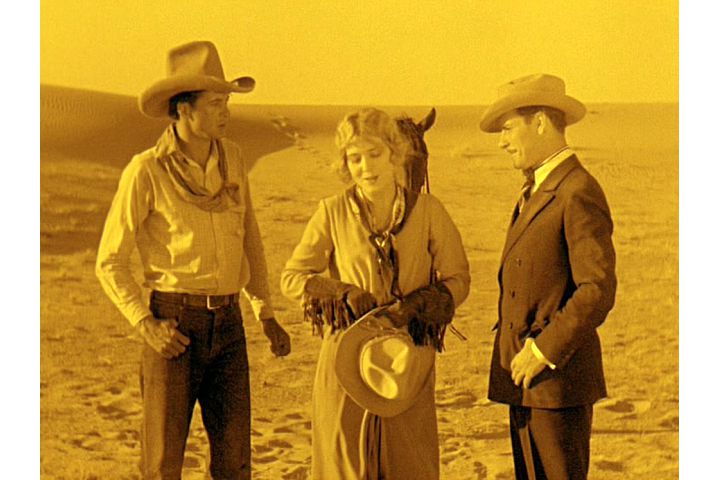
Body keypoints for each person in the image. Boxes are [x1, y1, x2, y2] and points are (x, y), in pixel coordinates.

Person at [95, 41, 291, 480]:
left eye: (227, 103)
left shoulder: (233, 159)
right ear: (183, 110)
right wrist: (146, 324)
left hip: (230, 325)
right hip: (174, 326)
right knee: (163, 463)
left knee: (235, 463)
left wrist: (266, 313)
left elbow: (250, 239)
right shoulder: (146, 171)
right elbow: (109, 261)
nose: (226, 112)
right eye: (216, 104)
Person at [280, 108, 470, 479]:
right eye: (355, 158)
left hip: (406, 363)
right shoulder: (332, 212)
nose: (366, 167)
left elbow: (458, 279)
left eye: (374, 154)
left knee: (409, 465)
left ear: (394, 154)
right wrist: (341, 293)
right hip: (345, 362)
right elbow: (292, 278)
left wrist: (418, 304)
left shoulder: (428, 211)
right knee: (343, 467)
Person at [479, 74, 617, 480]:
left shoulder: (577, 190)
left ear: (539, 122)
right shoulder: (539, 188)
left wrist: (542, 351)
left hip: (557, 383)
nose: (502, 142)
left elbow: (597, 289)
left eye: (508, 128)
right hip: (526, 382)